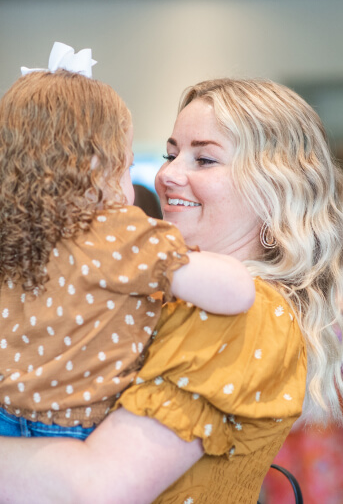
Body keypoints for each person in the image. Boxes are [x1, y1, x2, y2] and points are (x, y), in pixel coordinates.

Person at [0, 77, 343, 504]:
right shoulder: (172, 292)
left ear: (275, 191)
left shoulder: (245, 313)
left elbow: (94, 487)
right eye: (171, 154)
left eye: (205, 160)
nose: (167, 175)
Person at [0, 46, 256, 440]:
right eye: (129, 164)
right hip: (77, 428)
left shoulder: (15, 233)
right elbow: (236, 292)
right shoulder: (116, 233)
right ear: (95, 167)